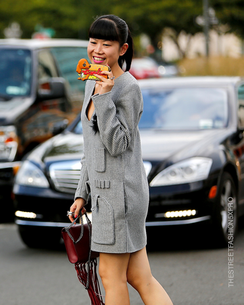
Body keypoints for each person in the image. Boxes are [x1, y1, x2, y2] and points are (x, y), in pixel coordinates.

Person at [68, 15, 173, 305]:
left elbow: (118, 145)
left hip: (120, 197)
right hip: (105, 194)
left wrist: (104, 98)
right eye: (93, 42)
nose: (97, 50)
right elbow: (92, 146)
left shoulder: (127, 88)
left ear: (123, 49)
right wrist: (81, 194)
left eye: (107, 44)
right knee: (140, 277)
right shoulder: (92, 82)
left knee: (110, 275)